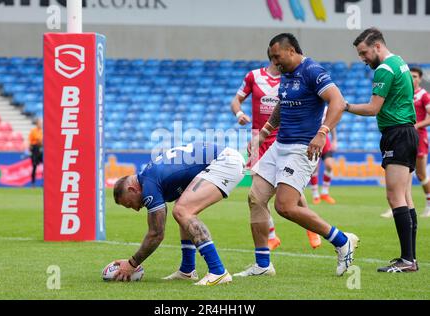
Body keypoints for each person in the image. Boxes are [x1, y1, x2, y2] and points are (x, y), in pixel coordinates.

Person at [234, 33, 359, 278]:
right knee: (255, 197)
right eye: (271, 58)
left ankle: (342, 240)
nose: (274, 62)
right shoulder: (287, 74)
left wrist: (323, 132)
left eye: (277, 56)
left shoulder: (312, 70)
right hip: (279, 145)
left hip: (302, 148)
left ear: (291, 50)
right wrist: (264, 133)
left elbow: (337, 101)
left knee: (285, 206)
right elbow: (282, 104)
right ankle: (262, 265)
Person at [112, 142, 245, 285]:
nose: (136, 209)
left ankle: (218, 271)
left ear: (132, 190)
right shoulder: (149, 176)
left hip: (224, 162)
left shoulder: (148, 185)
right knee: (182, 207)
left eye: (130, 204)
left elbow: (156, 233)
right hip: (225, 158)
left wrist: (132, 263)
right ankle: (187, 270)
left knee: (182, 210)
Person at [231, 48, 321, 252]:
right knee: (257, 192)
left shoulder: (294, 77)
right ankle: (271, 236)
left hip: (282, 139)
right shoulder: (254, 76)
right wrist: (239, 114)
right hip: (258, 138)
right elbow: (235, 101)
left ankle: (311, 228)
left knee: (291, 192)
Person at [346, 28, 418, 272]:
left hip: (397, 134)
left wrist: (344, 106)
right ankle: (410, 259)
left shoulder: (384, 69)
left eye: (364, 52)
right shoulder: (401, 63)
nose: (362, 58)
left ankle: (407, 260)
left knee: (394, 196)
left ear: (377, 46)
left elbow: (372, 108)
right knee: (405, 197)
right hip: (406, 132)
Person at [381, 66, 430, 219]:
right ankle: (398, 205)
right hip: (402, 137)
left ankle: (428, 204)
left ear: (420, 79)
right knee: (404, 174)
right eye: (411, 76)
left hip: (418, 136)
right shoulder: (405, 93)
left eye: (415, 76)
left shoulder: (424, 95)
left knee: (421, 174)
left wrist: (415, 125)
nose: (413, 79)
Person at [310, 109, 338, 205]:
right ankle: (315, 195)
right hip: (313, 140)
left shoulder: (326, 109)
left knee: (329, 165)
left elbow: (331, 125)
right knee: (314, 168)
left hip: (325, 140)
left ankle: (325, 193)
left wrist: (334, 140)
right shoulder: (311, 105)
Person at [28, 118, 43, 186]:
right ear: (37, 124)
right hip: (35, 148)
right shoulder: (33, 131)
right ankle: (33, 183)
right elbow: (35, 140)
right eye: (39, 123)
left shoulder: (41, 131)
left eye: (41, 123)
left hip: (40, 148)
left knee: (45, 166)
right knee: (34, 166)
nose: (40, 124)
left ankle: (44, 182)